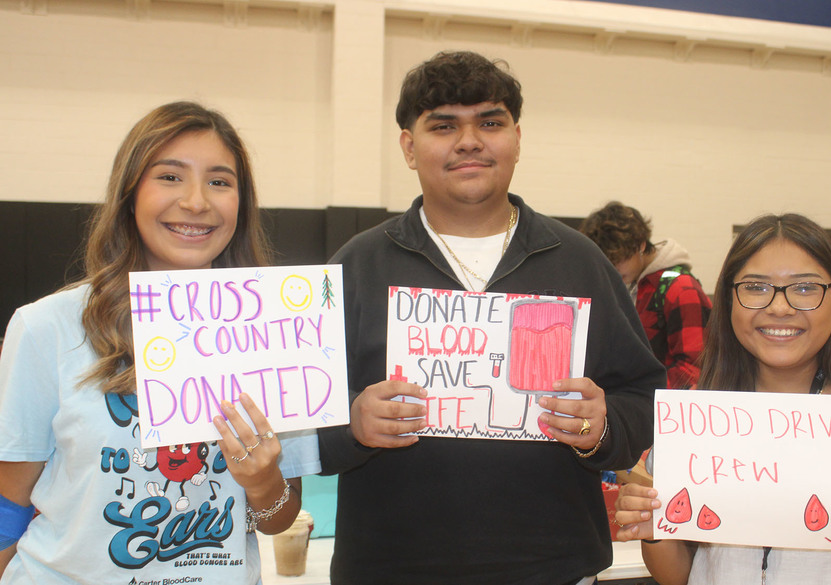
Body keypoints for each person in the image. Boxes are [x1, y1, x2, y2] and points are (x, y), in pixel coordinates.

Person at [316, 51, 664, 585]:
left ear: (517, 138)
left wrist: (603, 428)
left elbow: (642, 392)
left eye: (490, 122)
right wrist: (352, 426)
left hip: (555, 567)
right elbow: (299, 419)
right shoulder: (355, 266)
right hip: (390, 569)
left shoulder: (580, 261)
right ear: (409, 146)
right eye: (443, 125)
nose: (470, 141)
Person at [0, 102, 320, 584]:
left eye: (219, 181)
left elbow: (275, 519)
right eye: (170, 177)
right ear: (130, 194)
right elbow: (9, 504)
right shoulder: (46, 327)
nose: (196, 202)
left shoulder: (278, 330)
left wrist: (260, 481)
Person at [614, 213, 831, 585]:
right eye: (755, 286)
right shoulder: (695, 417)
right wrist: (653, 529)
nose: (779, 307)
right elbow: (680, 576)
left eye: (804, 288)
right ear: (728, 299)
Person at [579, 202, 712, 389]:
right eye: (608, 262)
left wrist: (642, 390)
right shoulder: (632, 287)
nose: (614, 269)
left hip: (663, 408)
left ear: (641, 245)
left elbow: (694, 368)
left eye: (619, 260)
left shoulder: (681, 289)